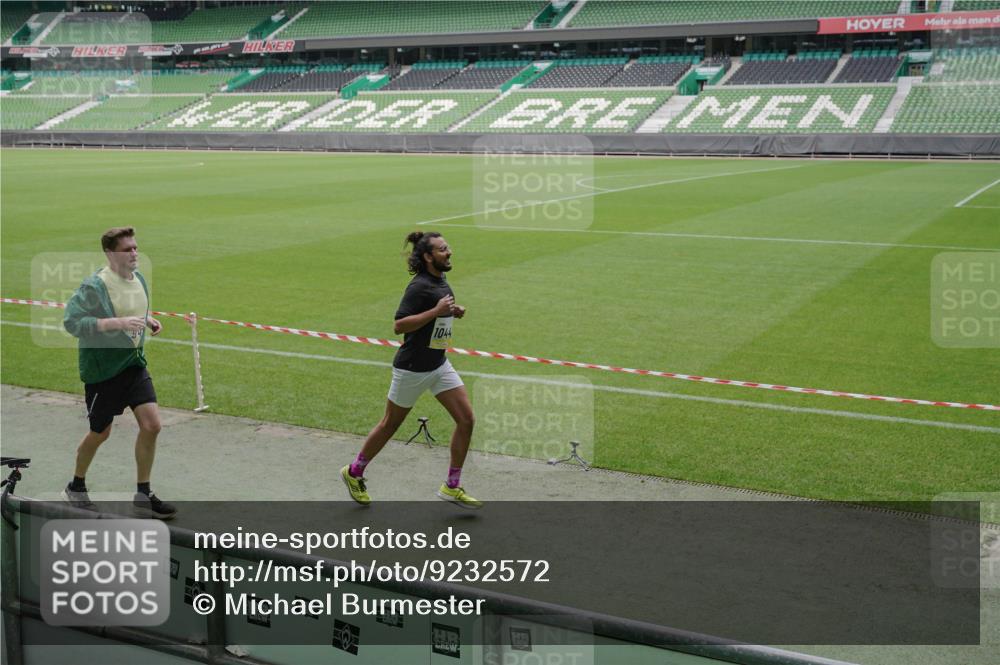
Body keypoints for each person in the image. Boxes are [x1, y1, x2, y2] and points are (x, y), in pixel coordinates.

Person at [341, 231, 481, 509]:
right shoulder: (418, 287)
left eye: (448, 247)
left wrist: (451, 311)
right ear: (428, 257)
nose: (449, 252)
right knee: (389, 424)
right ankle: (354, 471)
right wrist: (436, 310)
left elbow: (438, 312)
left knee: (466, 420)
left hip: (439, 365)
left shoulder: (440, 280)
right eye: (442, 250)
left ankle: (451, 486)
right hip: (412, 370)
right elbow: (399, 325)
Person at [61, 226, 176, 520]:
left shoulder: (138, 279)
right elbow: (72, 322)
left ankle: (143, 493)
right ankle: (76, 485)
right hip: (103, 371)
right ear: (111, 254)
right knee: (100, 433)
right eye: (128, 249)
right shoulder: (94, 286)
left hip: (134, 364)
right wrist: (118, 323)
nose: (135, 253)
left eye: (136, 247)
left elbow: (132, 310)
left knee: (152, 426)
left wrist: (149, 320)